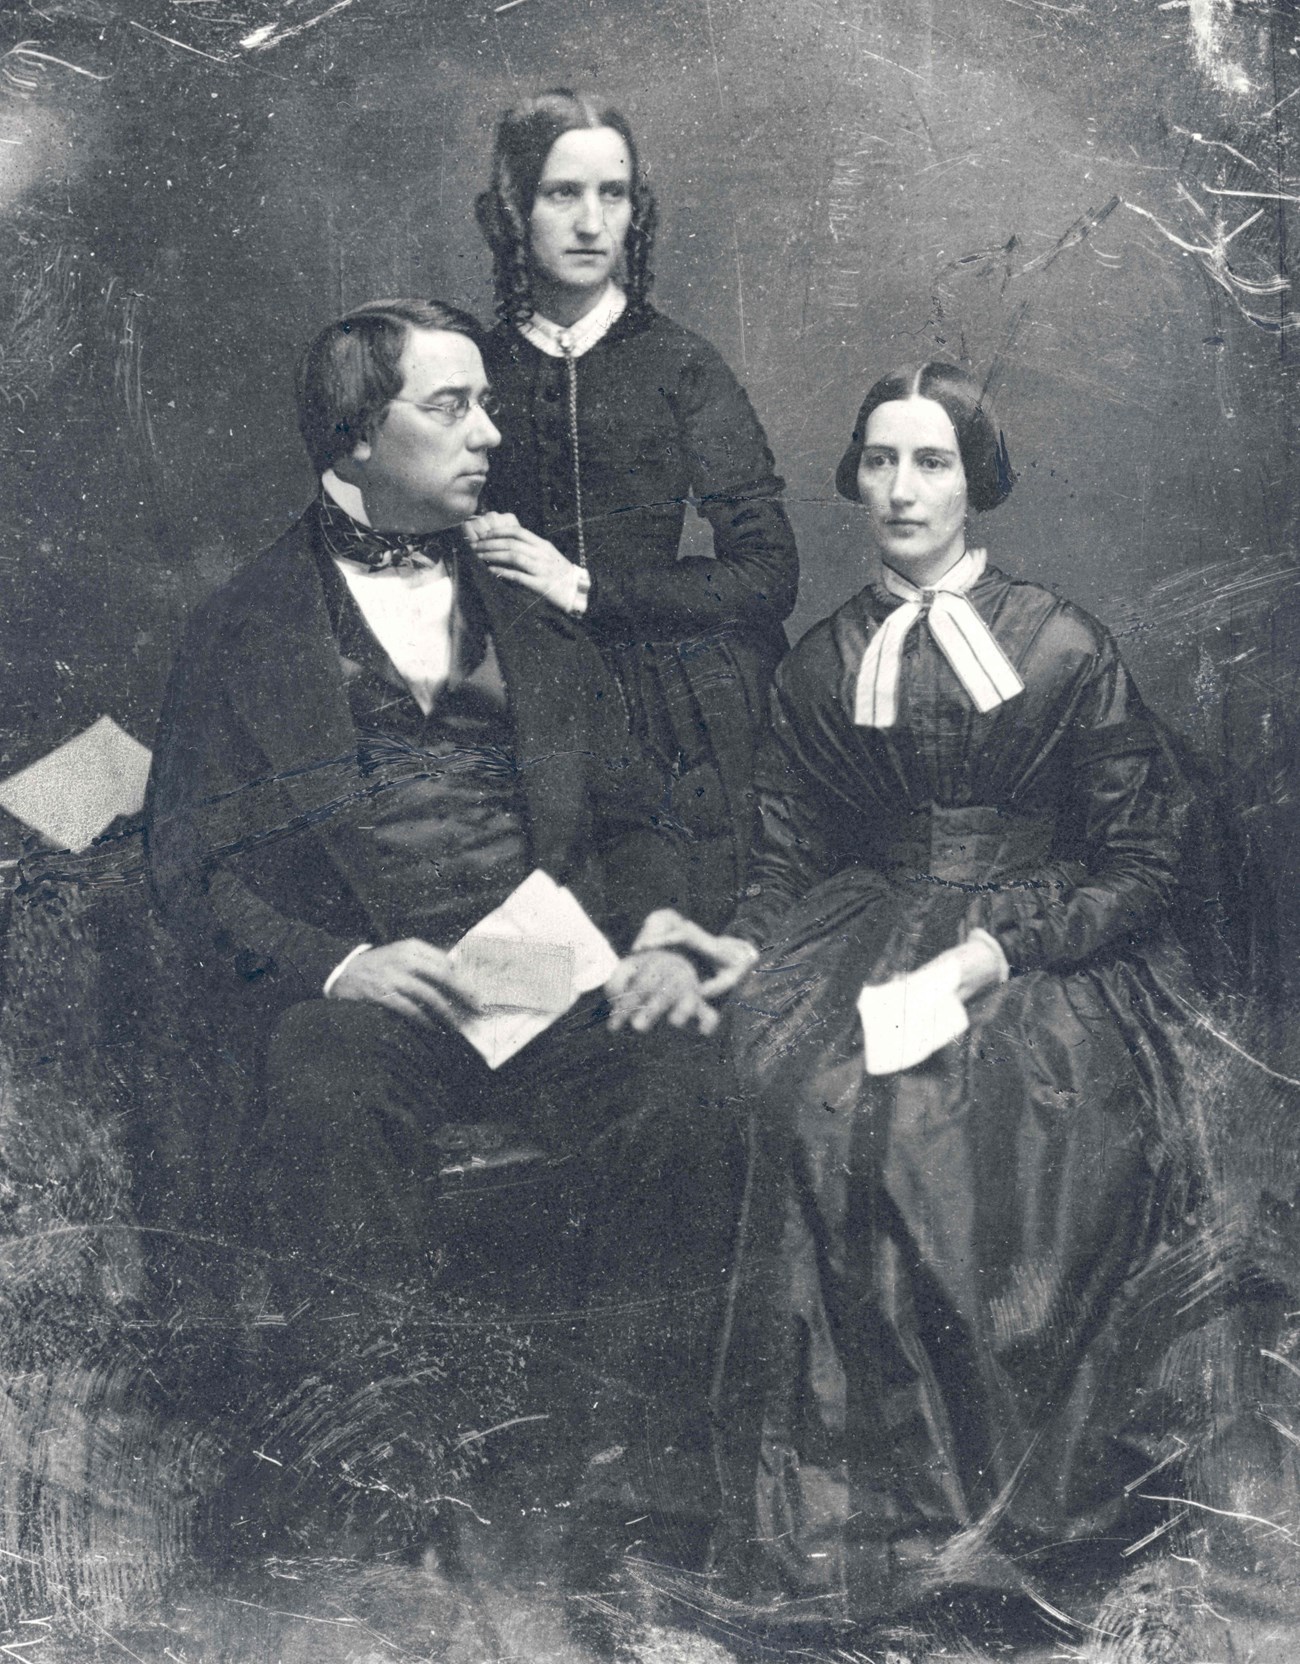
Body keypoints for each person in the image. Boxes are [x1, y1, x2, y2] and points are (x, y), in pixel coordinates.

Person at [142, 298, 737, 1550]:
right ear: (358, 435)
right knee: (321, 1085)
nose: (490, 434)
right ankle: (381, 1475)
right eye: (452, 406)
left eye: (491, 403)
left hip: (544, 962)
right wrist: (342, 963)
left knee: (684, 1083)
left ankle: (633, 1482)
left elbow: (630, 817)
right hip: (376, 988)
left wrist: (664, 929)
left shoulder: (529, 605)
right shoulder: (241, 625)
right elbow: (191, 869)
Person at [635, 362, 1196, 1634]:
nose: (900, 487)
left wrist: (1003, 945)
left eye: (930, 461)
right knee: (804, 1098)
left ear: (973, 478)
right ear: (852, 480)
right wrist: (736, 949)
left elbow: (1143, 860)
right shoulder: (821, 659)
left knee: (966, 1118)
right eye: (879, 460)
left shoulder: (1061, 641)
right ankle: (843, 1535)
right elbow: (782, 858)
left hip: (1041, 953)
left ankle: (983, 1526)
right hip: (861, 926)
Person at [469, 89, 800, 930]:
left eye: (610, 195)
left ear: (634, 212)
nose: (589, 222)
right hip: (507, 698)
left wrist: (583, 588)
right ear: (515, 210)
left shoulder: (682, 365)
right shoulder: (471, 369)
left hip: (668, 707)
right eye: (561, 193)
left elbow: (767, 575)